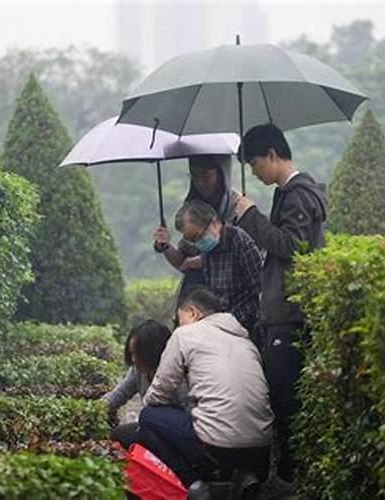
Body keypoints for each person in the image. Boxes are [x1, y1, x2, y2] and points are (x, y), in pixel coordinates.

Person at [235, 123, 327, 494]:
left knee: (287, 398)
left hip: (289, 316)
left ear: (273, 154)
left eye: (255, 163)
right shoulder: (287, 194)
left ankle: (289, 478)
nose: (255, 172)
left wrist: (250, 216)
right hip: (281, 313)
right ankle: (288, 473)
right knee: (283, 396)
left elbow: (292, 246)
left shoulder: (298, 196)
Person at [137, 286, 274, 500]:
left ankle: (195, 484)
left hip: (217, 445)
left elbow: (159, 393)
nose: (177, 325)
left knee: (148, 417)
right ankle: (242, 474)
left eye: (179, 318)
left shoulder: (185, 334)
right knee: (217, 423)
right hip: (261, 449)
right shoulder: (246, 342)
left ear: (193, 313)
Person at [156, 199, 263, 334]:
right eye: (193, 241)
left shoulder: (239, 241)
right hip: (215, 323)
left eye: (199, 237)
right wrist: (165, 245)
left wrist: (233, 323)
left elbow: (259, 289)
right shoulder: (206, 249)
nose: (199, 243)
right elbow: (182, 263)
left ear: (214, 222)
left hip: (243, 324)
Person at [153, 155, 245, 301]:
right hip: (198, 294)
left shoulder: (239, 208)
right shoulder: (191, 210)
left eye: (206, 175)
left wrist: (204, 260)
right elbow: (183, 262)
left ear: (221, 174)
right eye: (194, 176)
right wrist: (166, 246)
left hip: (233, 293)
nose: (200, 182)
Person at [101, 320, 188, 449]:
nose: (134, 359)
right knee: (119, 434)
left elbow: (188, 412)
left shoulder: (177, 373)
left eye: (138, 354)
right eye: (131, 354)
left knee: (148, 416)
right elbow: (120, 393)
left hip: (177, 434)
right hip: (152, 428)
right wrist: (95, 409)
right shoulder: (138, 371)